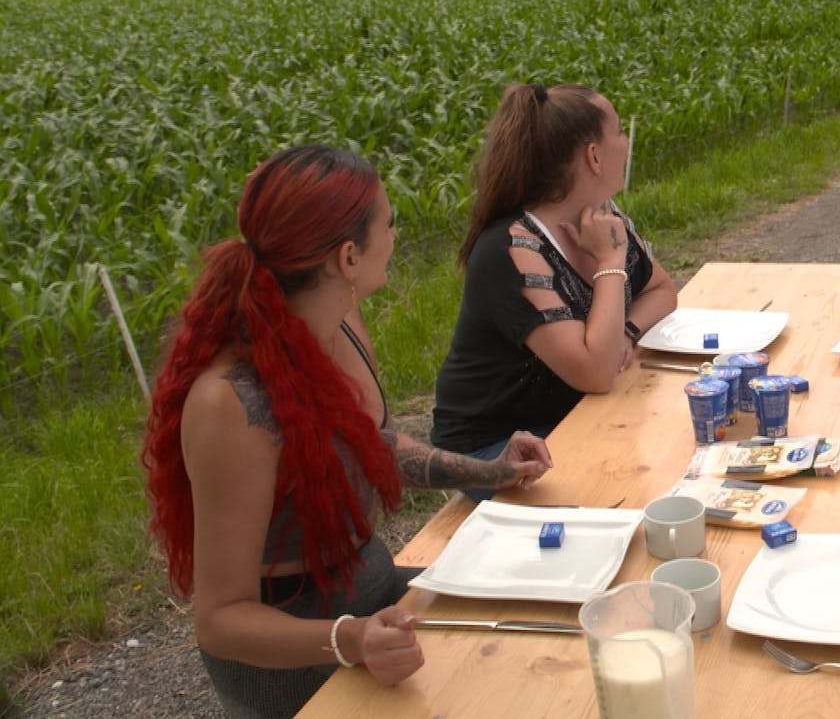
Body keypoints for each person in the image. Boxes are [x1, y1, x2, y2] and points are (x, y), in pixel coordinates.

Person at [142, 145, 555, 719]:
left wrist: (493, 471)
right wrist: (352, 639)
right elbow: (220, 620)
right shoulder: (230, 403)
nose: (397, 234)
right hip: (291, 653)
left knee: (542, 622)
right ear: (347, 256)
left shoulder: (338, 319)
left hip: (371, 599)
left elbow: (369, 445)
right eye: (388, 223)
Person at [430, 83, 677, 482]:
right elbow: (595, 373)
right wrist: (610, 262)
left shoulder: (599, 215)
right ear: (593, 156)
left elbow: (661, 291)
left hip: (577, 413)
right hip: (503, 449)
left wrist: (624, 334)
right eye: (617, 131)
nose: (626, 141)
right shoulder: (512, 248)